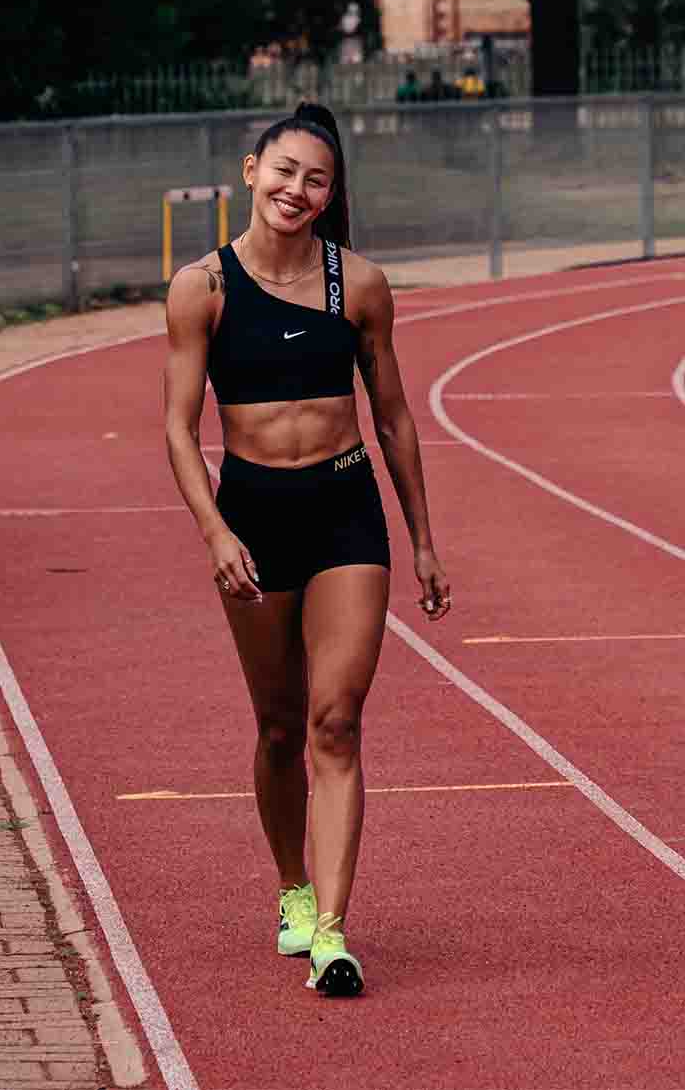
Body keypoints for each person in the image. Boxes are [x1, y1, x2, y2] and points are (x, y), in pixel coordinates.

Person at [164, 103, 450, 998]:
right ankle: (292, 888)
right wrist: (215, 530)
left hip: (344, 509)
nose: (296, 190)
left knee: (336, 718)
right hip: (252, 515)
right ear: (251, 171)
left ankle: (330, 931)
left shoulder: (357, 285)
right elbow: (176, 427)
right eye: (284, 171)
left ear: (331, 196)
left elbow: (395, 416)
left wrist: (425, 541)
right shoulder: (201, 287)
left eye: (315, 179)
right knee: (280, 724)